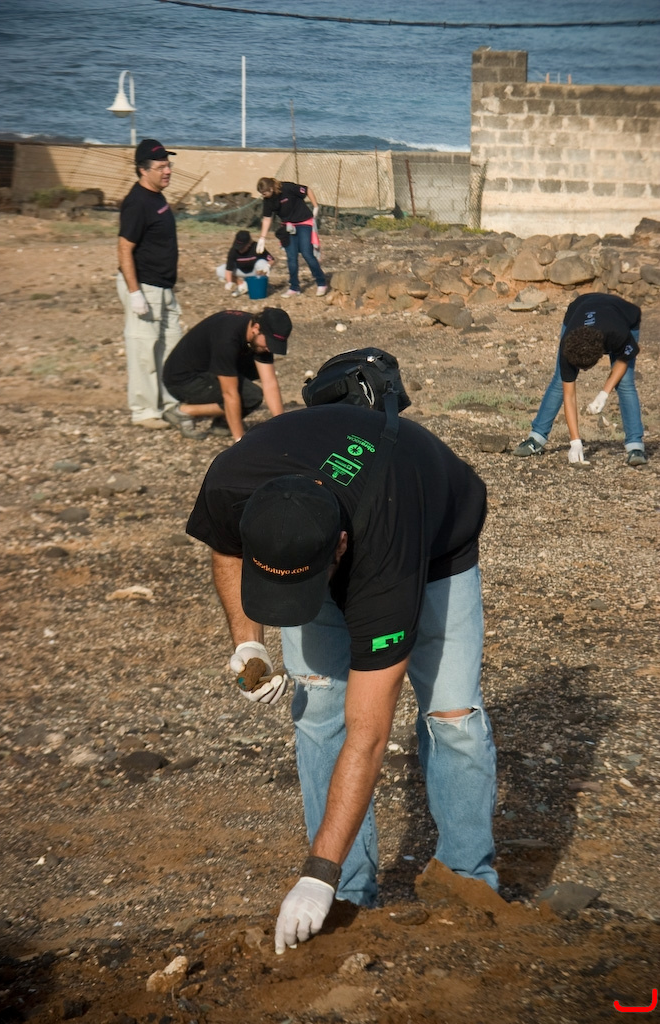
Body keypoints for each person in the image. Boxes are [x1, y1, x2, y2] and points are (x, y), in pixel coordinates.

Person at [185, 349, 498, 954]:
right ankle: (350, 894)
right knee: (317, 709)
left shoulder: (384, 559)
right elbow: (225, 547)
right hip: (341, 521)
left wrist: (314, 871)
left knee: (451, 716)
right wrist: (246, 642)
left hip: (433, 541)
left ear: (339, 549)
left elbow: (371, 732)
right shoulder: (231, 483)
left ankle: (467, 885)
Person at [513, 293, 647, 467]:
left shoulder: (618, 334)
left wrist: (604, 393)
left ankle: (635, 446)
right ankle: (536, 438)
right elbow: (569, 394)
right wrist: (575, 442)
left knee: (625, 383)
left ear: (600, 354)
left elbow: (623, 361)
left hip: (624, 314)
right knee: (559, 381)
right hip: (579, 308)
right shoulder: (567, 346)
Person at [117, 138, 182, 430]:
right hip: (144, 286)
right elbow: (124, 248)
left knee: (170, 348)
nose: (167, 171)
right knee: (143, 350)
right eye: (160, 167)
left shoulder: (157, 197)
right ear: (143, 170)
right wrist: (135, 293)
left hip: (163, 287)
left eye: (168, 165)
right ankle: (144, 411)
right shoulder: (137, 202)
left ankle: (170, 404)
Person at [162, 307, 292, 440]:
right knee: (251, 396)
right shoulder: (227, 338)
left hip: (209, 367)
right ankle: (183, 411)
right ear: (256, 328)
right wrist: (240, 441)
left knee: (253, 372)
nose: (269, 348)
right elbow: (229, 394)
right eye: (269, 342)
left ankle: (223, 424)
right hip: (182, 380)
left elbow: (270, 383)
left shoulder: (259, 332)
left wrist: (281, 427)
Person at [256, 176, 328, 298]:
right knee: (291, 257)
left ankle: (321, 282)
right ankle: (294, 287)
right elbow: (267, 218)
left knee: (307, 253)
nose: (263, 195)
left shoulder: (287, 188)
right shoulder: (267, 200)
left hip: (304, 222)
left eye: (264, 193)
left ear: (271, 189)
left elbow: (307, 190)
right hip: (288, 227)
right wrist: (262, 237)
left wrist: (315, 206)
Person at [216, 229, 274, 296]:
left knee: (262, 263)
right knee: (220, 270)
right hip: (241, 271)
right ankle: (242, 285)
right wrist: (229, 282)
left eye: (242, 247)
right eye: (238, 247)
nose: (240, 250)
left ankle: (259, 285)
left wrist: (268, 266)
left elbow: (272, 260)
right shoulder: (233, 251)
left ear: (249, 244)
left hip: (255, 272)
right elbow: (229, 270)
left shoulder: (256, 247)